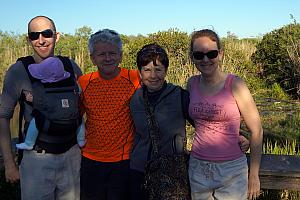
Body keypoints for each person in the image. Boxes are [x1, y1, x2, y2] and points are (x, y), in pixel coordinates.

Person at [129, 43, 250, 200]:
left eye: (158, 69)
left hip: (171, 171)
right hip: (139, 169)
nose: (153, 75)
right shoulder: (135, 99)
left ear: (166, 71)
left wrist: (239, 135)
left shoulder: (179, 95)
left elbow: (203, 123)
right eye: (147, 70)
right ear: (140, 72)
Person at [0, 16, 82, 200]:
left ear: (57, 36)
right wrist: (9, 163)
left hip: (72, 157)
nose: (41, 40)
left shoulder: (71, 67)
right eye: (34, 35)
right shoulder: (18, 71)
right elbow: (3, 116)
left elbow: (84, 108)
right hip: (36, 160)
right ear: (28, 39)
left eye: (47, 33)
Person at [187, 29, 263, 200]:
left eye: (211, 54)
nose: (205, 60)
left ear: (220, 54)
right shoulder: (191, 83)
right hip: (198, 168)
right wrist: (235, 134)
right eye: (199, 55)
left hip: (232, 171)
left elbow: (257, 130)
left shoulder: (235, 84)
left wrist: (254, 175)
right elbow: (199, 120)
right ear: (192, 57)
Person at [78, 29, 140, 200]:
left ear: (120, 56)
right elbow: (75, 116)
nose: (107, 58)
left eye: (112, 53)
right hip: (90, 158)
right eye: (101, 54)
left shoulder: (134, 78)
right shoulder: (84, 82)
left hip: (124, 160)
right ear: (92, 58)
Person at [15, 56, 86, 150]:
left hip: (51, 124)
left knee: (35, 120)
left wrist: (31, 99)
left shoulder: (42, 89)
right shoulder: (71, 85)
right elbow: (79, 95)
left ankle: (29, 143)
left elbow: (39, 105)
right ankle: (81, 139)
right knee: (80, 121)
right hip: (72, 122)